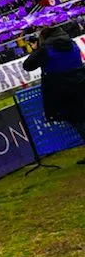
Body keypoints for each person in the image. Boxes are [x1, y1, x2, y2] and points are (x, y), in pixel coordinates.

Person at [23, 25, 85, 164]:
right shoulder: (72, 43)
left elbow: (28, 65)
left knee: (78, 121)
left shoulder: (46, 49)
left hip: (62, 89)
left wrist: (37, 49)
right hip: (81, 82)